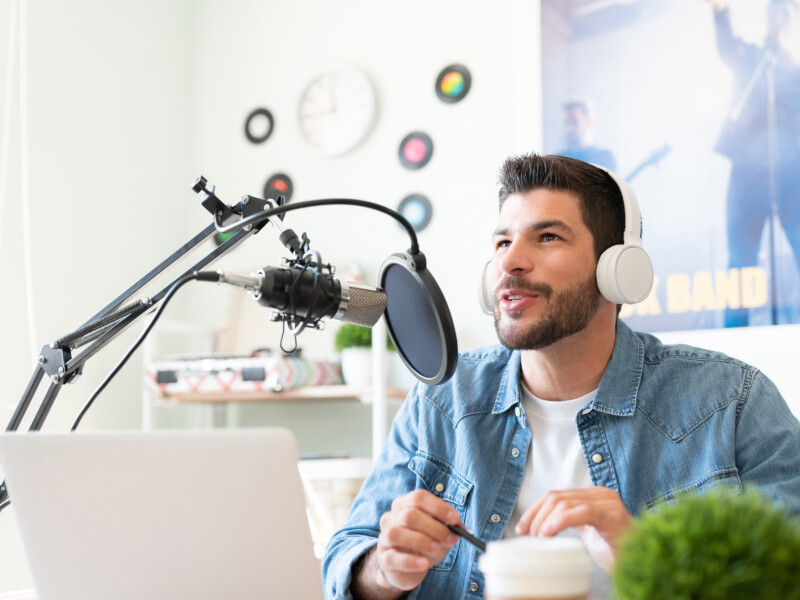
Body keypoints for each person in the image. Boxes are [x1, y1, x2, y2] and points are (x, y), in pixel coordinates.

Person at [321, 154, 800, 600]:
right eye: (503, 242)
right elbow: (347, 557)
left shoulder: (732, 401)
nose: (509, 262)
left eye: (547, 237)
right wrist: (383, 570)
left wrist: (646, 558)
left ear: (618, 270)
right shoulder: (443, 397)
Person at [705, 0, 800, 327]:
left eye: (789, 11)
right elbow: (728, 48)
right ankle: (735, 338)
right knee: (741, 264)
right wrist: (720, 13)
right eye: (777, 11)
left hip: (793, 177)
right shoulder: (755, 58)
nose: (781, 17)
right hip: (747, 174)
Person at [557, 100, 617, 171]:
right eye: (566, 123)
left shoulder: (605, 158)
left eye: (575, 122)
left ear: (589, 122)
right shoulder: (557, 161)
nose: (569, 128)